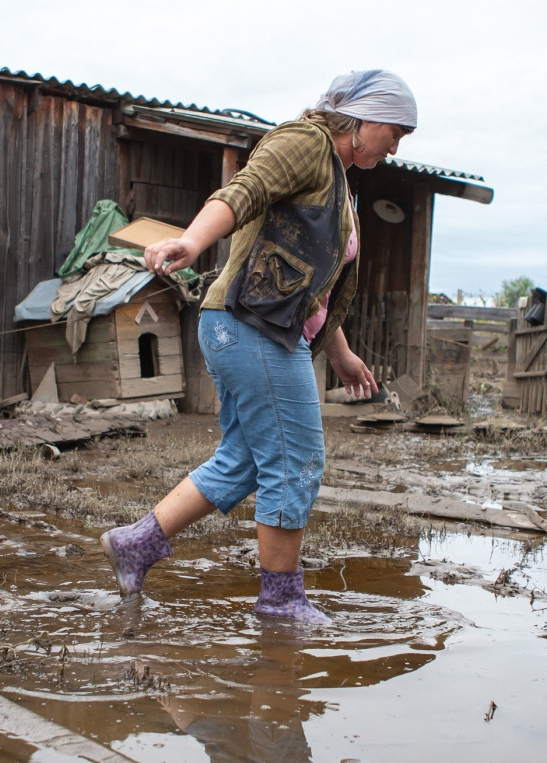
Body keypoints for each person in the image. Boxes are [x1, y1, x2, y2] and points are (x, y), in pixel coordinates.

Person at [100, 70, 417, 623]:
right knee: (296, 461)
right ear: (363, 118)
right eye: (396, 130)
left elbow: (309, 285)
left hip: (255, 327)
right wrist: (193, 241)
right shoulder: (307, 141)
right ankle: (281, 600)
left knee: (244, 460)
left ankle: (135, 543)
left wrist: (338, 350)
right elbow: (240, 193)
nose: (397, 145)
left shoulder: (340, 183)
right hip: (250, 327)